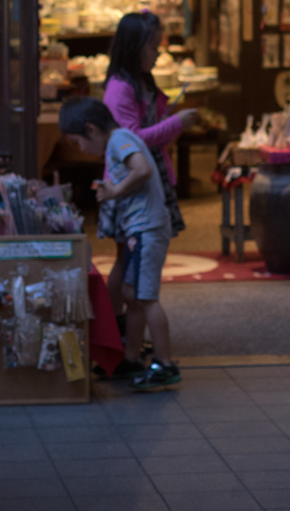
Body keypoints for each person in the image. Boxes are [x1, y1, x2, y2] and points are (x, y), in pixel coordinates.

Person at [59, 94, 180, 390]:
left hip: (147, 228)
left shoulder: (119, 139)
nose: (81, 149)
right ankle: (130, 359)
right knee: (131, 294)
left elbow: (142, 169)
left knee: (146, 297)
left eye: (77, 141)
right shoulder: (117, 141)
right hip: (139, 229)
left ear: (91, 129)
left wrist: (114, 191)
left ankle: (165, 365)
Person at [101, 12, 197, 321]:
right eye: (153, 46)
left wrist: (166, 120)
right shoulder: (120, 87)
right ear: (134, 46)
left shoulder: (141, 81)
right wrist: (175, 123)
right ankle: (118, 326)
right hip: (130, 183)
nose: (158, 53)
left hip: (148, 180)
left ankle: (129, 327)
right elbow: (132, 139)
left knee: (136, 261)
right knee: (126, 260)